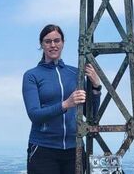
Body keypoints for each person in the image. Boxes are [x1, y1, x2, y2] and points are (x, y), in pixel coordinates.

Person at [22, 24, 102, 174]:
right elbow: (34, 115)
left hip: (74, 149)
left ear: (63, 43)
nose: (53, 45)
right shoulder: (32, 76)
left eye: (57, 40)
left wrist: (96, 87)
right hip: (43, 148)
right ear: (41, 44)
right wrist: (66, 104)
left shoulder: (75, 73)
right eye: (48, 41)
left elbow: (91, 115)